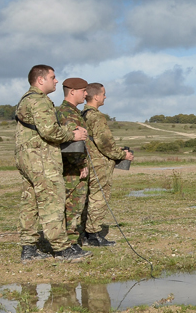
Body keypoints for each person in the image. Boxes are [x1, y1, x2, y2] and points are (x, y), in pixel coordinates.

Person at [15, 65, 92, 262]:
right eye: (53, 77)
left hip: (27, 159)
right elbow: (49, 132)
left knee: (30, 202)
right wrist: (72, 134)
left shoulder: (26, 99)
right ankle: (61, 248)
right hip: (41, 159)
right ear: (40, 80)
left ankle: (29, 248)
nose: (56, 81)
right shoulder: (39, 101)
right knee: (52, 202)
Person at [83, 82, 132, 247]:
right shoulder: (96, 116)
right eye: (103, 94)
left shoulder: (82, 114)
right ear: (96, 96)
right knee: (99, 198)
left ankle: (85, 232)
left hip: (88, 161)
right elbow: (105, 143)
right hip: (99, 164)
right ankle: (94, 234)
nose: (105, 97)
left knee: (88, 197)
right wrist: (122, 155)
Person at [56, 78, 90, 246]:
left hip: (73, 168)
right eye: (83, 90)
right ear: (72, 91)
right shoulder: (68, 114)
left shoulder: (73, 112)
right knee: (72, 206)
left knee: (73, 206)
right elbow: (73, 145)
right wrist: (81, 164)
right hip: (72, 171)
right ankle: (70, 242)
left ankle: (74, 239)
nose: (86, 94)